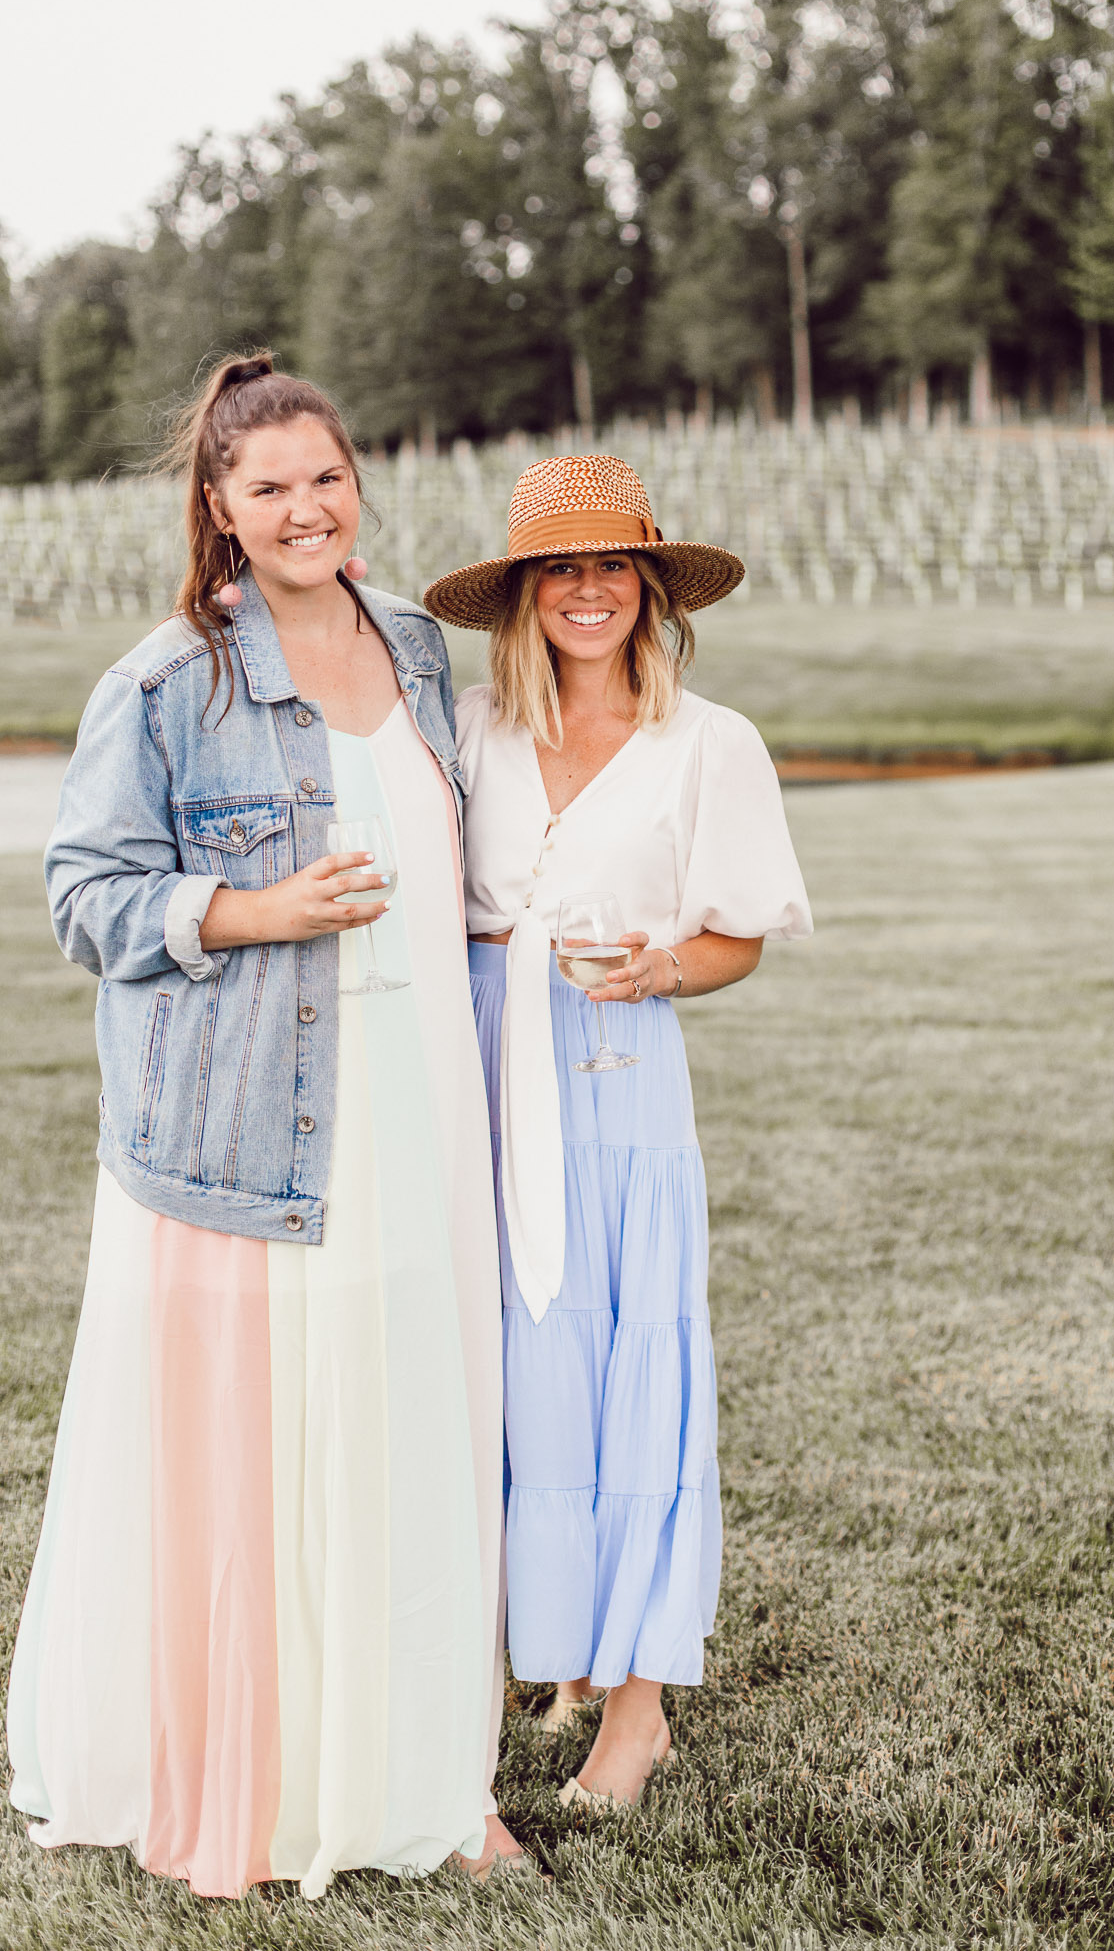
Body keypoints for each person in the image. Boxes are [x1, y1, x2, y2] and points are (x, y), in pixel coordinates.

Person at [8, 354, 522, 1896]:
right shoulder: (170, 680)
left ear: (356, 486)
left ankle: (429, 1777)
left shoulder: (420, 649)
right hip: (259, 1128)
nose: (306, 507)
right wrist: (250, 907)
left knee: (417, 1431)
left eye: (327, 475)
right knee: (279, 1445)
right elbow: (84, 900)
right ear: (221, 511)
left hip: (428, 1099)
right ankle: (275, 1778)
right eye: (269, 485)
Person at [424, 452, 812, 1807]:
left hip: (618, 1065)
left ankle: (634, 1702)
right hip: (480, 1070)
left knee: (630, 1355)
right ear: (524, 593)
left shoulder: (709, 743)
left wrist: (662, 968)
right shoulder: (468, 730)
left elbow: (737, 938)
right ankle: (561, 1648)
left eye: (610, 567)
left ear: (648, 589)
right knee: (516, 1366)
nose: (586, 591)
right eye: (559, 569)